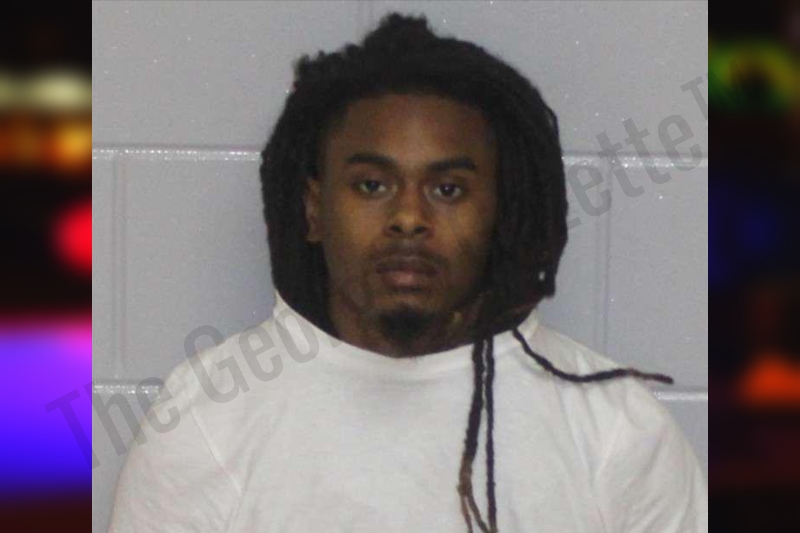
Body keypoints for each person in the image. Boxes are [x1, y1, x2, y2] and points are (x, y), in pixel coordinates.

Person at [109, 13, 707, 533]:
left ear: (501, 213)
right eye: (372, 185)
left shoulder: (616, 431)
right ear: (314, 210)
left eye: (448, 189)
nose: (409, 218)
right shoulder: (207, 418)